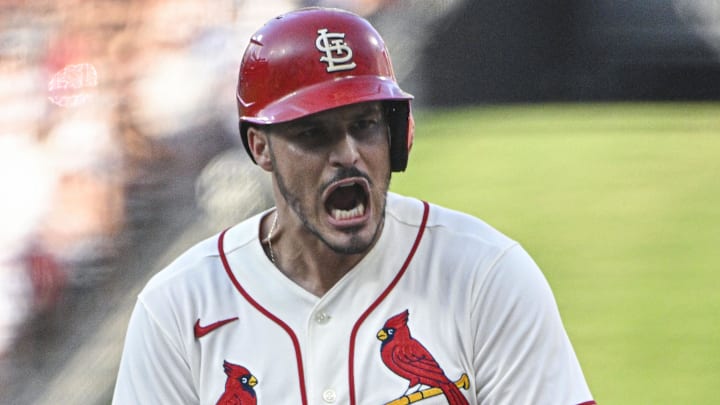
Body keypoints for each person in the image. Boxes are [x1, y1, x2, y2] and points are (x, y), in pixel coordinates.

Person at [113, 7, 596, 405]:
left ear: (396, 135)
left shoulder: (485, 274)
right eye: (313, 133)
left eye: (364, 124)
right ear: (260, 147)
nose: (347, 154)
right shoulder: (178, 307)